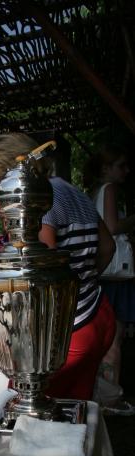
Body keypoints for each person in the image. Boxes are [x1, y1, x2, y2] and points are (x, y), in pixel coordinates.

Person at [0, 132, 116, 402]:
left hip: (68, 331)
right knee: (76, 411)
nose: (0, 191)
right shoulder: (73, 191)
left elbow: (41, 276)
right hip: (99, 315)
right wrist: (81, 281)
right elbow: (108, 246)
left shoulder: (40, 199)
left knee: (24, 411)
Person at [84, 144, 135, 398]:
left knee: (105, 335)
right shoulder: (110, 189)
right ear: (106, 168)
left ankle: (105, 391)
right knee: (115, 336)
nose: (126, 171)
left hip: (105, 274)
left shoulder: (94, 192)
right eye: (121, 166)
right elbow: (113, 227)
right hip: (116, 273)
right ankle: (111, 394)